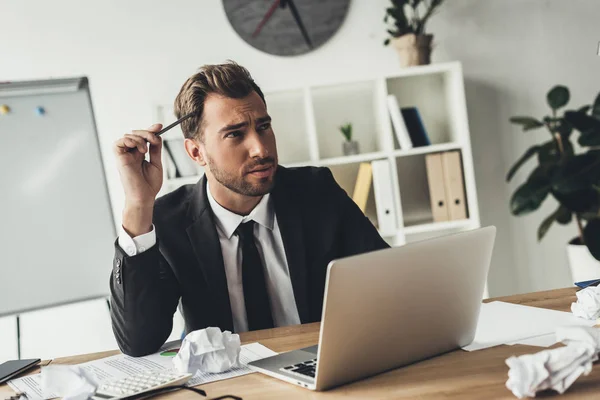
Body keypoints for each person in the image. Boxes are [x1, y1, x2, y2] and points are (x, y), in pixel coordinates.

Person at [110, 61, 389, 357]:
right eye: (235, 134)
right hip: (230, 384)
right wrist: (138, 206)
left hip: (318, 367)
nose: (261, 149)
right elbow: (138, 342)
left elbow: (390, 281)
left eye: (264, 127)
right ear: (196, 152)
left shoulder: (316, 192)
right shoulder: (169, 221)